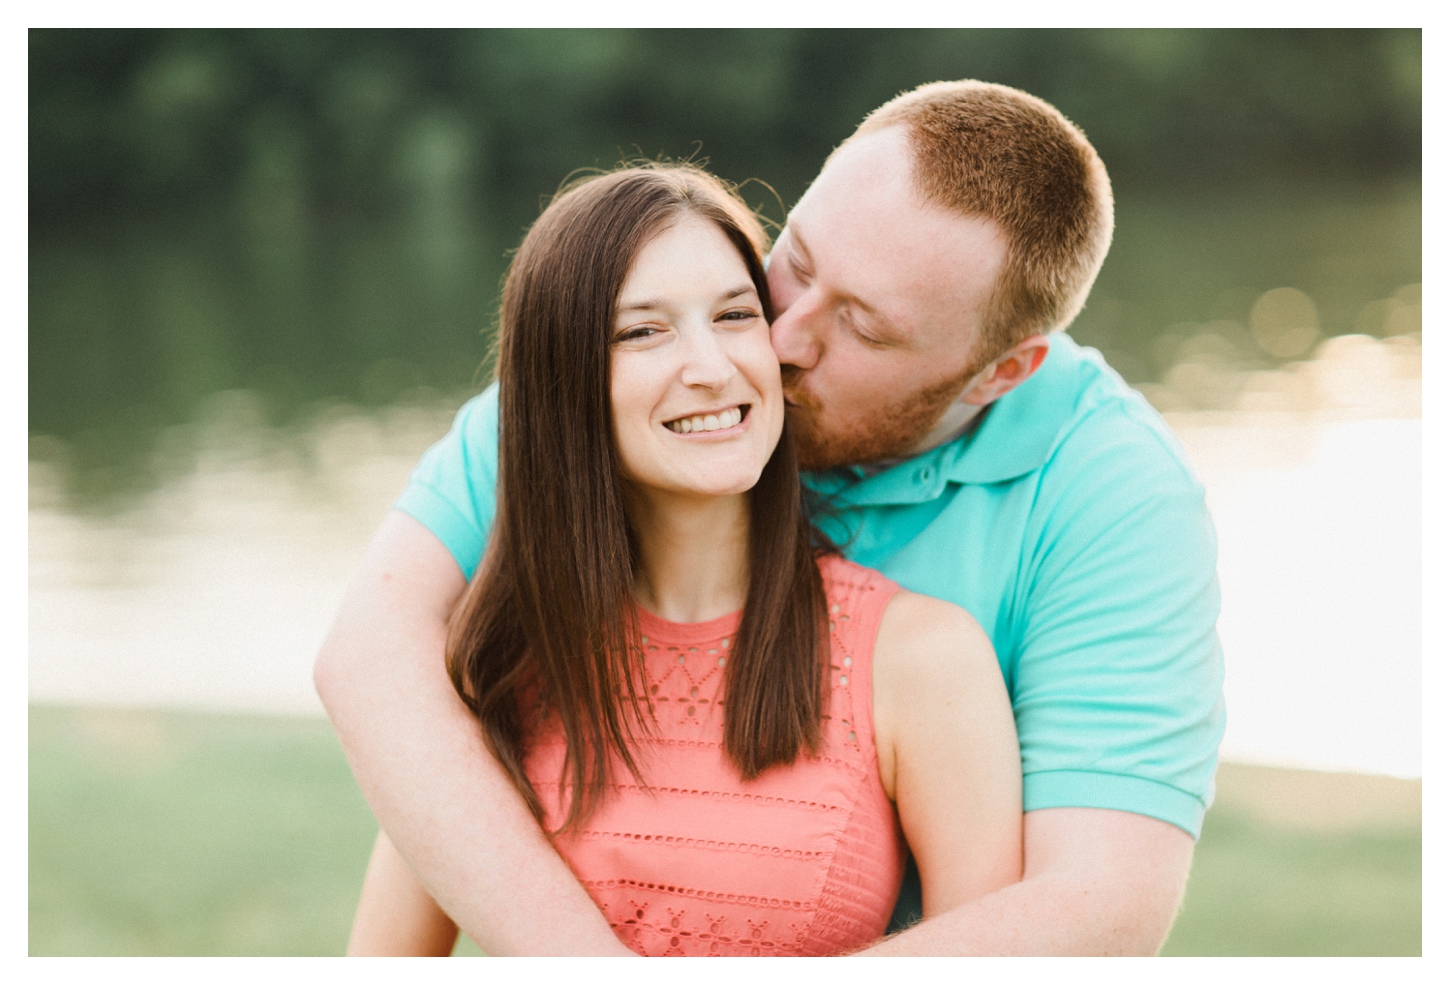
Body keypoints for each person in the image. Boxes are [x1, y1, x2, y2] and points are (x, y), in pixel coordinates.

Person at [315, 79, 1225, 956]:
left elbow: (1100, 903)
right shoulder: (640, 389)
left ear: (998, 373)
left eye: (863, 327)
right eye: (794, 259)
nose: (778, 340)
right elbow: (372, 656)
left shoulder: (1115, 499)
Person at [342, 164, 1023, 956]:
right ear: (562, 386)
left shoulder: (921, 660)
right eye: (643, 331)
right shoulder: (496, 664)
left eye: (735, 315)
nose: (711, 365)